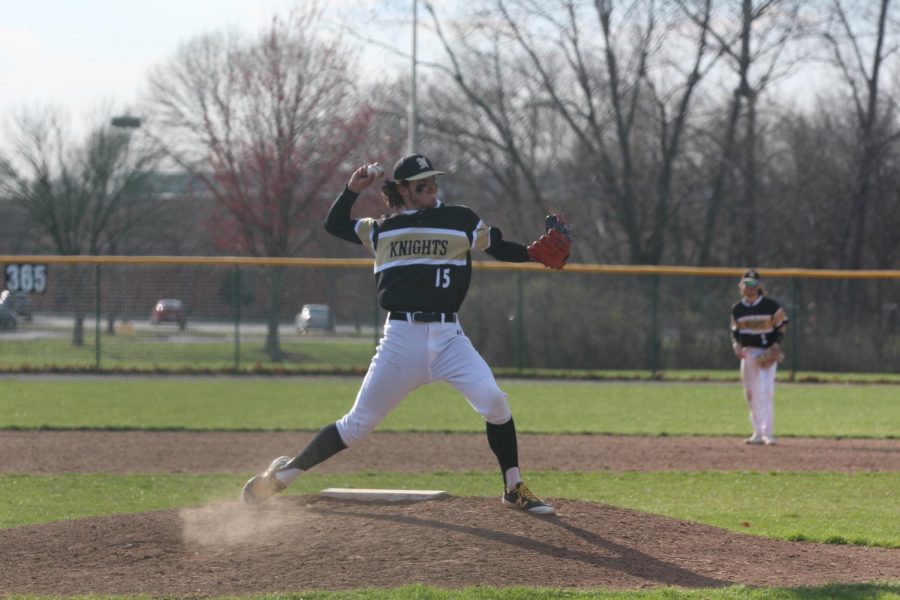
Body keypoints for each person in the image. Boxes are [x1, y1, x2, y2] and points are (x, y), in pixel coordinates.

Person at [241, 153, 571, 514]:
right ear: (402, 189)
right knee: (356, 426)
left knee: (495, 401)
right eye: (422, 183)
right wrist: (352, 189)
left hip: (449, 338)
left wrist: (532, 254)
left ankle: (514, 487)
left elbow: (499, 247)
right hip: (400, 338)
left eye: (433, 181)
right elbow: (334, 224)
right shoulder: (382, 228)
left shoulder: (460, 219)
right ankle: (281, 478)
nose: (431, 187)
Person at [730, 269, 789, 445]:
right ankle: (756, 432)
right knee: (751, 393)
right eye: (747, 284)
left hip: (766, 352)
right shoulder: (738, 309)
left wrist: (776, 344)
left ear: (759, 286)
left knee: (766, 391)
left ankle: (768, 433)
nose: (750, 287)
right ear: (741, 286)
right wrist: (736, 344)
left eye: (754, 284)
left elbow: (782, 323)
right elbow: (735, 330)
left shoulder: (770, 305)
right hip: (748, 353)